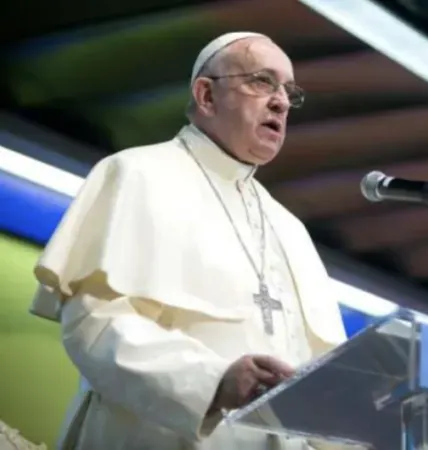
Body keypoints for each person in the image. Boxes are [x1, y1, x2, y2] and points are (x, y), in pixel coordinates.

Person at [29, 32, 353, 450]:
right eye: (262, 82)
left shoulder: (289, 228)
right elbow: (97, 322)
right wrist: (214, 382)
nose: (281, 102)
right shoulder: (137, 174)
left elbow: (320, 378)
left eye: (289, 92)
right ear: (206, 95)